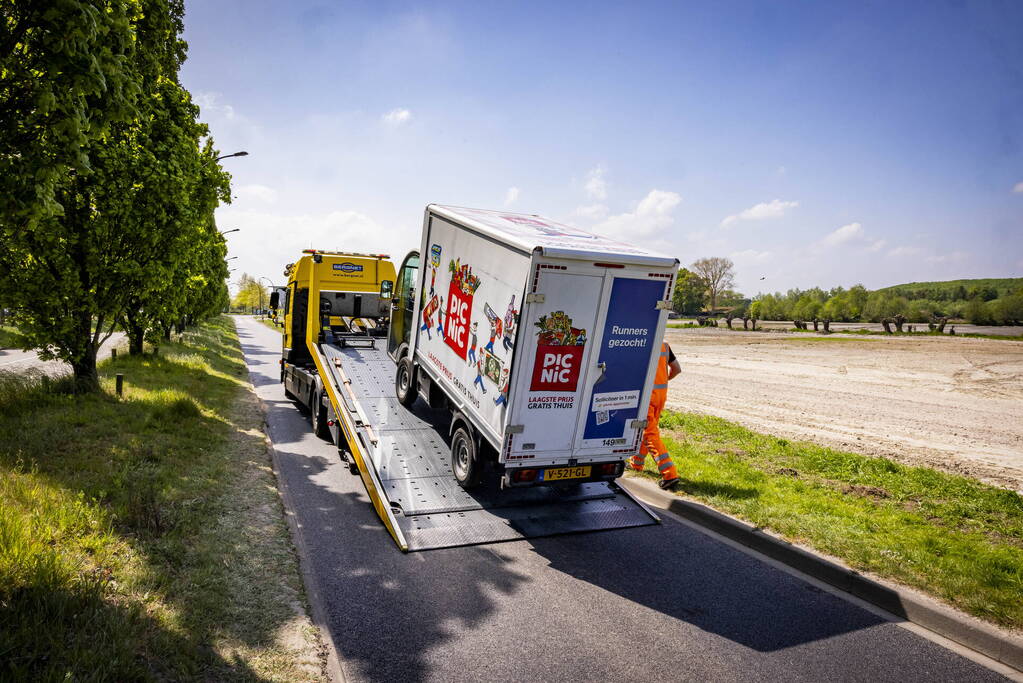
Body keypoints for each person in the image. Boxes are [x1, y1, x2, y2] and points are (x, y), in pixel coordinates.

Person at [630, 341, 682, 490]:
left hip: (647, 396)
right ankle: (637, 464)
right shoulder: (664, 345)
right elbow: (677, 369)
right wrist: (664, 380)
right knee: (646, 430)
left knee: (649, 434)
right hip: (660, 395)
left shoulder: (640, 343)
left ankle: (669, 474)